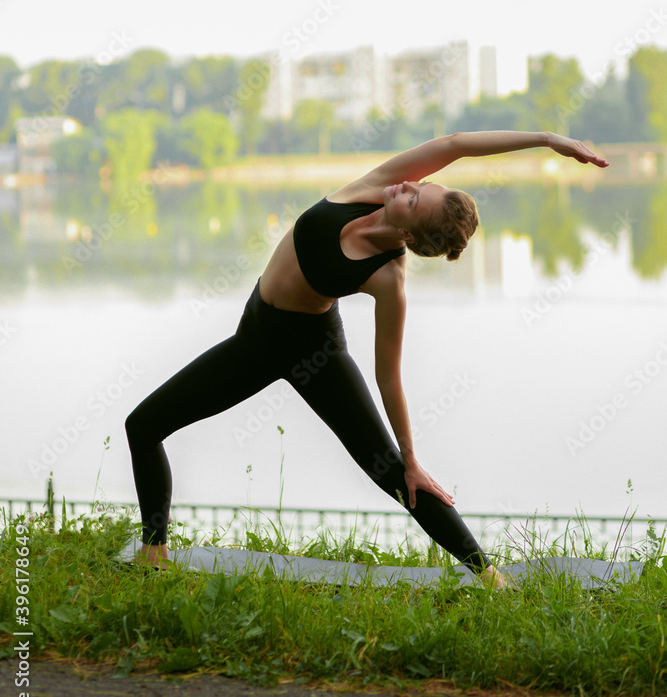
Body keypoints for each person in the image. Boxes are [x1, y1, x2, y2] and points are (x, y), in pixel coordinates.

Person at [124, 129, 609, 583]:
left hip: (311, 349)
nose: (407, 185)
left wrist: (413, 457)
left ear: (412, 236)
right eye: (421, 184)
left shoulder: (389, 279)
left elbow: (390, 378)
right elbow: (458, 143)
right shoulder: (375, 187)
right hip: (253, 338)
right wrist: (548, 139)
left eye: (415, 198)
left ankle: (490, 577)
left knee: (395, 474)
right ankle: (155, 551)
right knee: (143, 426)